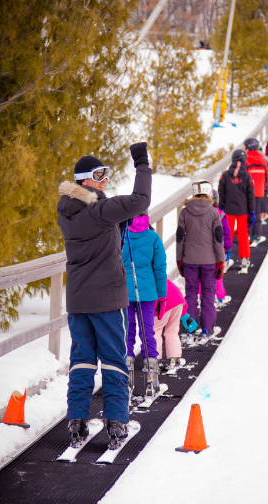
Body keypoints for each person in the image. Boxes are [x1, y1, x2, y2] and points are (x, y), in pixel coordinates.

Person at [58, 143, 152, 450]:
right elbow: (141, 200)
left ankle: (77, 421)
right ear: (83, 180)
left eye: (106, 174)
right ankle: (116, 422)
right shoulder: (99, 210)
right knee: (113, 360)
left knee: (82, 360)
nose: (105, 180)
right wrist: (141, 163)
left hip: (78, 299)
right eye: (99, 175)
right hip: (108, 299)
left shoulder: (67, 212)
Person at [121, 213, 167, 394]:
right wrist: (162, 297)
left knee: (127, 331)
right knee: (148, 331)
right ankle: (152, 377)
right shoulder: (153, 237)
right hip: (147, 294)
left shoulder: (121, 236)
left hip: (122, 292)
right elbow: (160, 269)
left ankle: (126, 373)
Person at [177, 180, 227, 344]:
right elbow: (218, 240)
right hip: (209, 261)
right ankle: (207, 330)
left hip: (189, 259)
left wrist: (179, 259)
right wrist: (221, 260)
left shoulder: (184, 213)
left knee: (190, 294)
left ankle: (190, 330)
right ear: (208, 193)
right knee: (207, 294)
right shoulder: (214, 213)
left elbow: (179, 239)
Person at [217, 150, 254, 273]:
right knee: (243, 235)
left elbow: (221, 193)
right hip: (243, 211)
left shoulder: (226, 175)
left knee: (228, 234)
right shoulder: (248, 176)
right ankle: (244, 259)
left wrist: (220, 209)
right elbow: (251, 196)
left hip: (228, 210)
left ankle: (225, 259)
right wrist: (251, 212)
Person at [154, 280, 188, 373]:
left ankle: (154, 360)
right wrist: (184, 313)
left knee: (155, 330)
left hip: (161, 302)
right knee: (172, 331)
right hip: (177, 299)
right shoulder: (159, 275)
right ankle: (174, 359)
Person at [244, 139, 268, 246]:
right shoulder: (263, 159)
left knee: (247, 215)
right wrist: (262, 188)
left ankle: (247, 237)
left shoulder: (245, 159)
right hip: (259, 192)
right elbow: (266, 176)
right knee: (257, 214)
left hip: (247, 193)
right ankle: (257, 236)